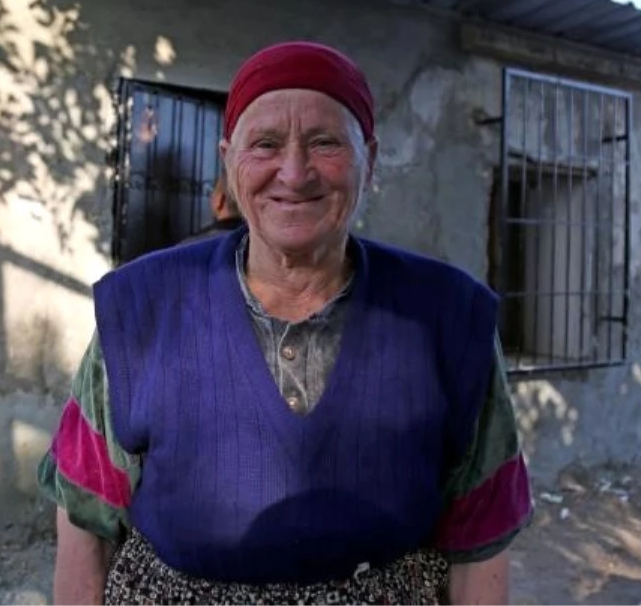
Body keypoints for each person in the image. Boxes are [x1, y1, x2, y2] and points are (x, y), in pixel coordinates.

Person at [38, 40, 533, 605]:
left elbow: (482, 531)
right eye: (265, 144)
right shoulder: (142, 308)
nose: (294, 174)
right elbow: (84, 519)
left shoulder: (449, 317)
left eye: (325, 143)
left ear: (369, 160)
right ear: (228, 159)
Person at [180, 175, 245, 243]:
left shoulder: (190, 245)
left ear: (220, 200)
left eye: (212, 193)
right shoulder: (252, 244)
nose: (210, 198)